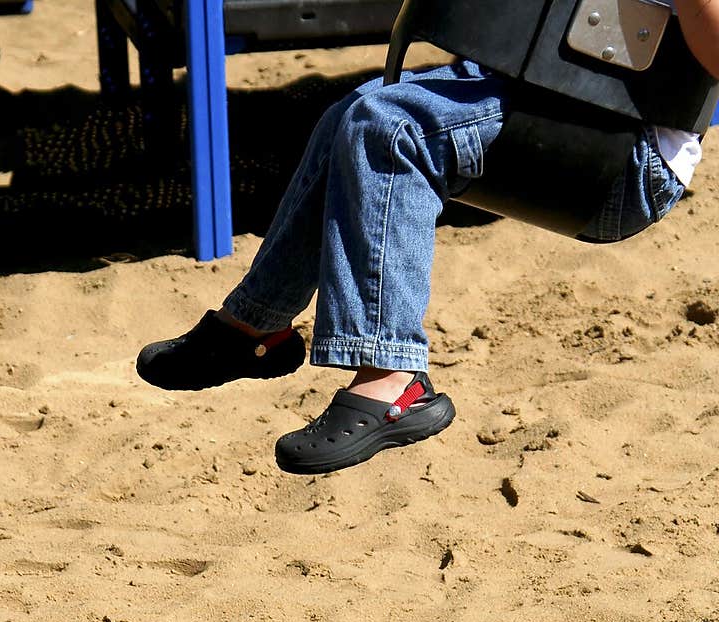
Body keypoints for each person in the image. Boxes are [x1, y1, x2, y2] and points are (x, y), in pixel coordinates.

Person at [136, 0, 719, 476]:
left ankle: (394, 378)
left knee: (389, 130)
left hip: (621, 148)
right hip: (538, 87)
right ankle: (254, 325)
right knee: (354, 113)